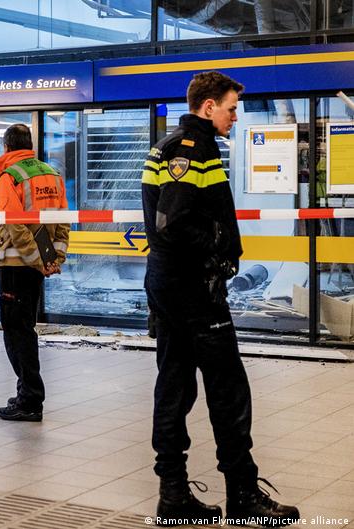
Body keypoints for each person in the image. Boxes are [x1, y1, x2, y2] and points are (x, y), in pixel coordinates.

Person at [142, 71, 299, 527]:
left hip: (171, 286)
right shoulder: (192, 147)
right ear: (208, 106)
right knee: (228, 390)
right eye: (231, 107)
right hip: (193, 291)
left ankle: (173, 497)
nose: (235, 115)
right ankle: (243, 497)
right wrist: (219, 243)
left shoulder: (172, 144)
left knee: (174, 387)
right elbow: (173, 223)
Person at [0, 124, 69, 422]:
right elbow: (62, 221)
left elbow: (14, 225)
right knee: (26, 328)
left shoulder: (10, 177)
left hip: (15, 265)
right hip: (36, 266)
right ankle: (27, 390)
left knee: (15, 332)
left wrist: (35, 259)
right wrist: (53, 258)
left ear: (7, 147)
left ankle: (30, 399)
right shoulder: (52, 175)